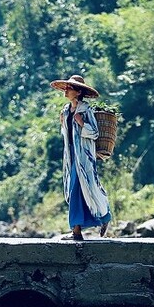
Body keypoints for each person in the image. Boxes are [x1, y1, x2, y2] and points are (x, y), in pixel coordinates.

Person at [51, 74, 112, 240]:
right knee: (78, 191)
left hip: (84, 157)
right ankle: (98, 219)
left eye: (69, 88)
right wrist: (63, 122)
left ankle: (80, 230)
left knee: (82, 188)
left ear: (78, 92)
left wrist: (81, 123)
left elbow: (94, 133)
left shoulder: (86, 111)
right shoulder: (65, 110)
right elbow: (67, 134)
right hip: (71, 156)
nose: (66, 91)